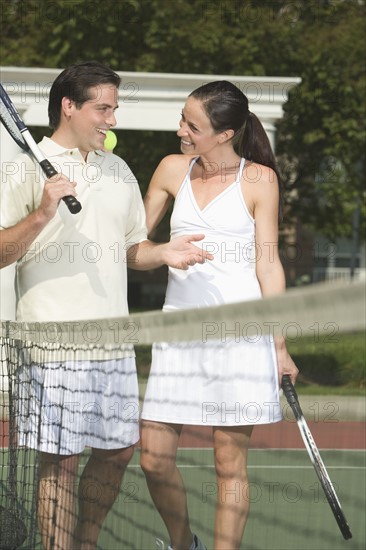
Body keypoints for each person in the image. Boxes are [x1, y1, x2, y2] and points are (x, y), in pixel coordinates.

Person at [0, 61, 213, 550]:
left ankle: (86, 541)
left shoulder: (118, 169)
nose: (111, 119)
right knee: (61, 461)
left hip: (113, 342)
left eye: (114, 108)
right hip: (51, 342)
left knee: (118, 451)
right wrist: (42, 213)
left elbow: (130, 247)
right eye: (103, 108)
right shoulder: (22, 166)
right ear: (69, 107)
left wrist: (162, 253)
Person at [140, 81, 299, 550]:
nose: (181, 130)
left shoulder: (260, 180)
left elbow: (268, 264)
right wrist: (162, 253)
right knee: (153, 458)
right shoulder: (170, 169)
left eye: (193, 125)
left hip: (242, 339)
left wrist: (280, 346)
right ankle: (182, 542)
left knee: (229, 464)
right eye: (183, 118)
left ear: (225, 133)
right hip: (179, 335)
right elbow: (131, 250)